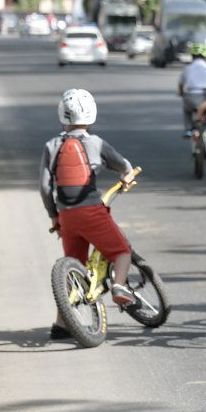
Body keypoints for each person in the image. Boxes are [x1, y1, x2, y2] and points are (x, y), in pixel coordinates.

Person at [40, 89, 139, 335]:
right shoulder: (96, 143)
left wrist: (54, 215)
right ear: (91, 114)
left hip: (66, 215)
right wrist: (126, 177)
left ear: (62, 115)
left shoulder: (52, 146)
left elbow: (44, 186)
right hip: (92, 210)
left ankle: (61, 326)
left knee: (73, 267)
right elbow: (123, 165)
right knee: (121, 251)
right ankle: (118, 287)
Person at [177, 41, 206, 134]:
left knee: (187, 110)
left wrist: (181, 94)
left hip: (190, 96)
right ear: (205, 57)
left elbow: (180, 84)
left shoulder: (187, 68)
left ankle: (188, 129)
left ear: (192, 56)